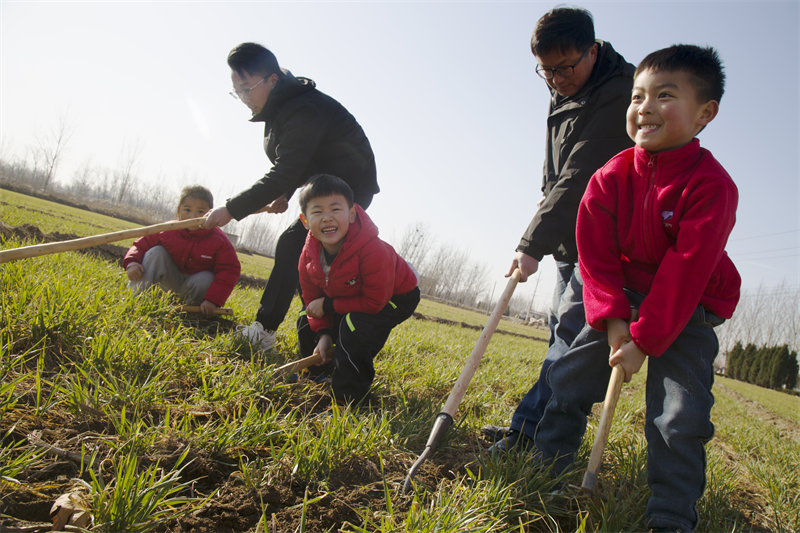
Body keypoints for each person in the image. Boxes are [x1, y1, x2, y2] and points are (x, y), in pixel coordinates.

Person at [532, 44, 740, 533]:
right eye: (637, 96)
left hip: (685, 307)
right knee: (570, 375)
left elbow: (686, 271)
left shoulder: (713, 186)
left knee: (679, 413)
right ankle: (548, 462)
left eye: (664, 95)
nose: (644, 107)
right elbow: (597, 258)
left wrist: (644, 341)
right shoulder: (609, 178)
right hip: (620, 296)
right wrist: (615, 321)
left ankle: (670, 512)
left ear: (705, 113)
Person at [487, 6, 635, 452]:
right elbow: (559, 164)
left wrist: (532, 241)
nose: (555, 79)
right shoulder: (568, 83)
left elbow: (583, 171)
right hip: (571, 234)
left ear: (592, 50)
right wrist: (546, 191)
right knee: (558, 332)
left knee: (569, 340)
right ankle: (530, 428)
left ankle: (533, 439)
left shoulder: (618, 92)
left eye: (565, 67)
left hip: (605, 238)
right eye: (546, 71)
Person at [203, 42, 379, 353]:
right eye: (237, 91)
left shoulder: (302, 108)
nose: (243, 98)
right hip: (325, 186)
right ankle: (312, 336)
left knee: (295, 246)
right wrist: (286, 190)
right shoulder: (280, 103)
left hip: (348, 193)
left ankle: (267, 332)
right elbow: (304, 159)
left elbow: (288, 168)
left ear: (271, 80)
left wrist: (231, 209)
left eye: (247, 88)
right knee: (301, 254)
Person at [297, 174, 419, 403]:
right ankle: (317, 374)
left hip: (396, 295)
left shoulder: (372, 249)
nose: (327, 218)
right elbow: (312, 298)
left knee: (354, 325)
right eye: (317, 212)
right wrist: (323, 333)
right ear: (305, 221)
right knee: (307, 315)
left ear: (352, 214)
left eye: (335, 209)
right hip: (350, 293)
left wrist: (330, 305)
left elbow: (374, 302)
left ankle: (349, 398)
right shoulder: (307, 257)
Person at [124, 185, 241, 314]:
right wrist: (132, 262)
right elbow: (140, 245)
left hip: (194, 287)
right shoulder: (167, 230)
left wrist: (212, 300)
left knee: (206, 278)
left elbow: (230, 270)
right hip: (170, 280)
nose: (193, 216)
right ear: (178, 211)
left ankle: (190, 310)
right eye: (187, 210)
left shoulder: (219, 241)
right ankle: (138, 299)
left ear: (210, 214)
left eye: (200, 212)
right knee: (156, 252)